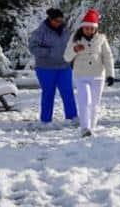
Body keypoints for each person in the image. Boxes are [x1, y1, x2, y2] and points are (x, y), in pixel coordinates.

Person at [64, 9, 115, 137]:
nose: (89, 31)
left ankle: (91, 127)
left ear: (95, 28)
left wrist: (110, 74)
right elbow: (66, 57)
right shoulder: (75, 38)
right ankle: (85, 128)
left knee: (94, 103)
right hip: (81, 75)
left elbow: (107, 56)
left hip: (98, 75)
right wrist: (75, 49)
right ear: (82, 28)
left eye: (92, 28)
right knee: (84, 101)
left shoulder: (102, 39)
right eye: (86, 28)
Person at [28, 8, 78, 124]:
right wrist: (48, 52)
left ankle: (72, 118)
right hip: (45, 68)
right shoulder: (40, 32)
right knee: (48, 94)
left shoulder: (66, 30)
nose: (59, 23)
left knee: (68, 93)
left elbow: (72, 45)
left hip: (64, 67)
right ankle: (45, 120)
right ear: (50, 19)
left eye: (61, 20)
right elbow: (32, 47)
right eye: (56, 20)